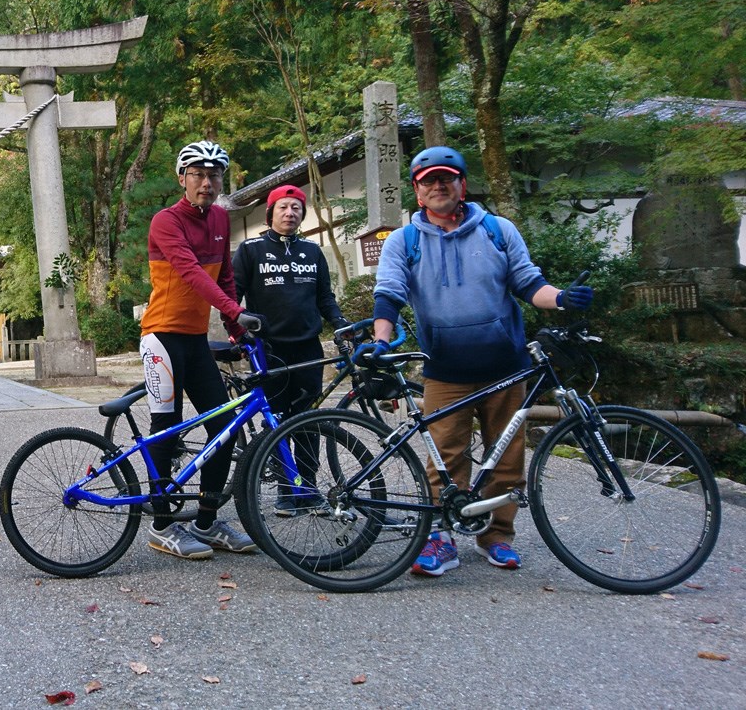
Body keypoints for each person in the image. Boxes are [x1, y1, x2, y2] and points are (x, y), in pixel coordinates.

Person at [363, 145, 593, 577]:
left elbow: (528, 282)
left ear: (462, 184)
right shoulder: (404, 240)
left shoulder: (497, 230)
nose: (438, 186)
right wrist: (381, 338)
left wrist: (561, 299)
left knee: (506, 459)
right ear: (417, 191)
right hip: (444, 368)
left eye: (446, 178)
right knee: (444, 458)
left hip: (505, 366)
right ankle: (440, 538)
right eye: (428, 180)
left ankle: (498, 537)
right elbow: (389, 293)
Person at [139, 140, 264, 560]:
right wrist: (234, 310)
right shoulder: (165, 221)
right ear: (183, 179)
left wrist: (236, 327)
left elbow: (225, 275)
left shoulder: (220, 220)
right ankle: (161, 526)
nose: (207, 182)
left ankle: (206, 521)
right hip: (161, 335)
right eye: (198, 174)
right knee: (166, 428)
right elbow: (191, 272)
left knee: (225, 426)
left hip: (194, 340)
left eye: (214, 175)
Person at [232, 184, 350, 515]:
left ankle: (307, 489)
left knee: (307, 419)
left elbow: (325, 297)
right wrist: (239, 332)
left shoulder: (313, 252)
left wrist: (340, 322)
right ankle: (287, 490)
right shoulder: (251, 249)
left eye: (296, 207)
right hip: (270, 348)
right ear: (271, 213)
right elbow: (234, 295)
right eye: (283, 207)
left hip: (307, 347)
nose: (290, 213)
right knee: (278, 419)